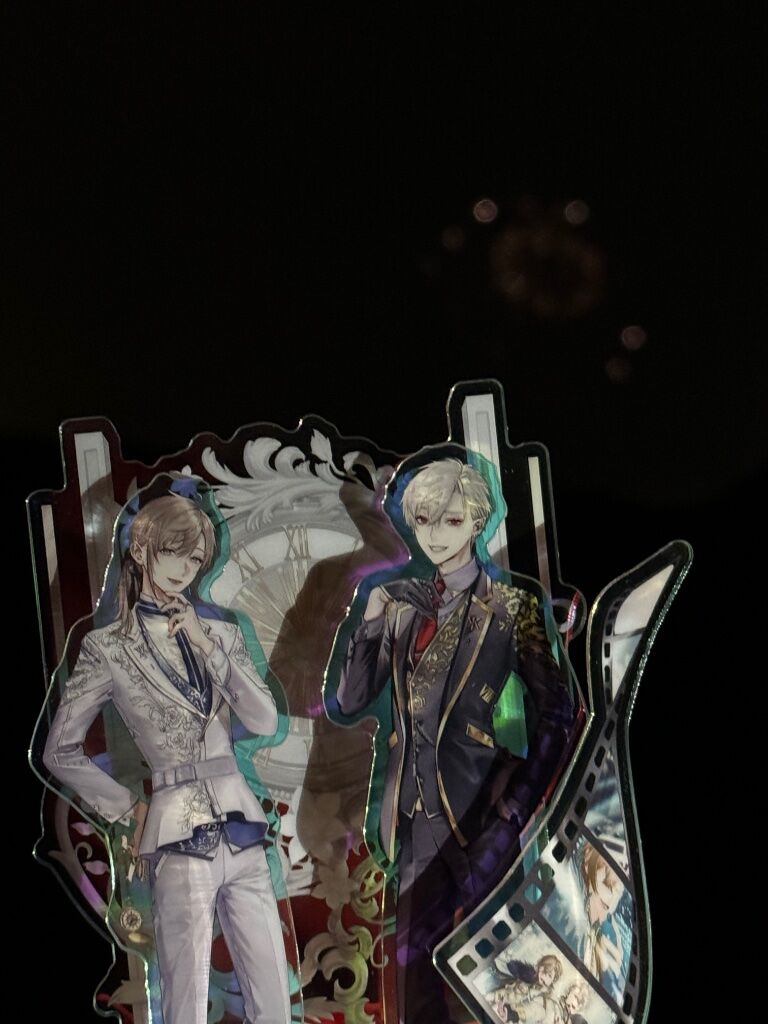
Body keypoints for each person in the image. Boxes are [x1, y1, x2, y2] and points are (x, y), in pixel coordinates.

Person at [333, 456, 579, 1023]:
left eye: (450, 520)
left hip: (480, 812)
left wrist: (518, 800)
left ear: (476, 523)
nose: (435, 535)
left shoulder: (510, 607)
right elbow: (349, 699)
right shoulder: (400, 605)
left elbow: (559, 713)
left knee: (503, 968)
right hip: (411, 818)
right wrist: (373, 614)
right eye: (424, 521)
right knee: (414, 982)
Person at [42, 486, 291, 1024]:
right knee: (183, 1003)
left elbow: (266, 722)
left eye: (195, 559)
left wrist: (207, 647)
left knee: (273, 995)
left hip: (241, 825)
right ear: (140, 551)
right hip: (177, 835)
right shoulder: (108, 647)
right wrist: (126, 807)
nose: (184, 569)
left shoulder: (221, 634)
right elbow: (58, 750)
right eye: (173, 553)